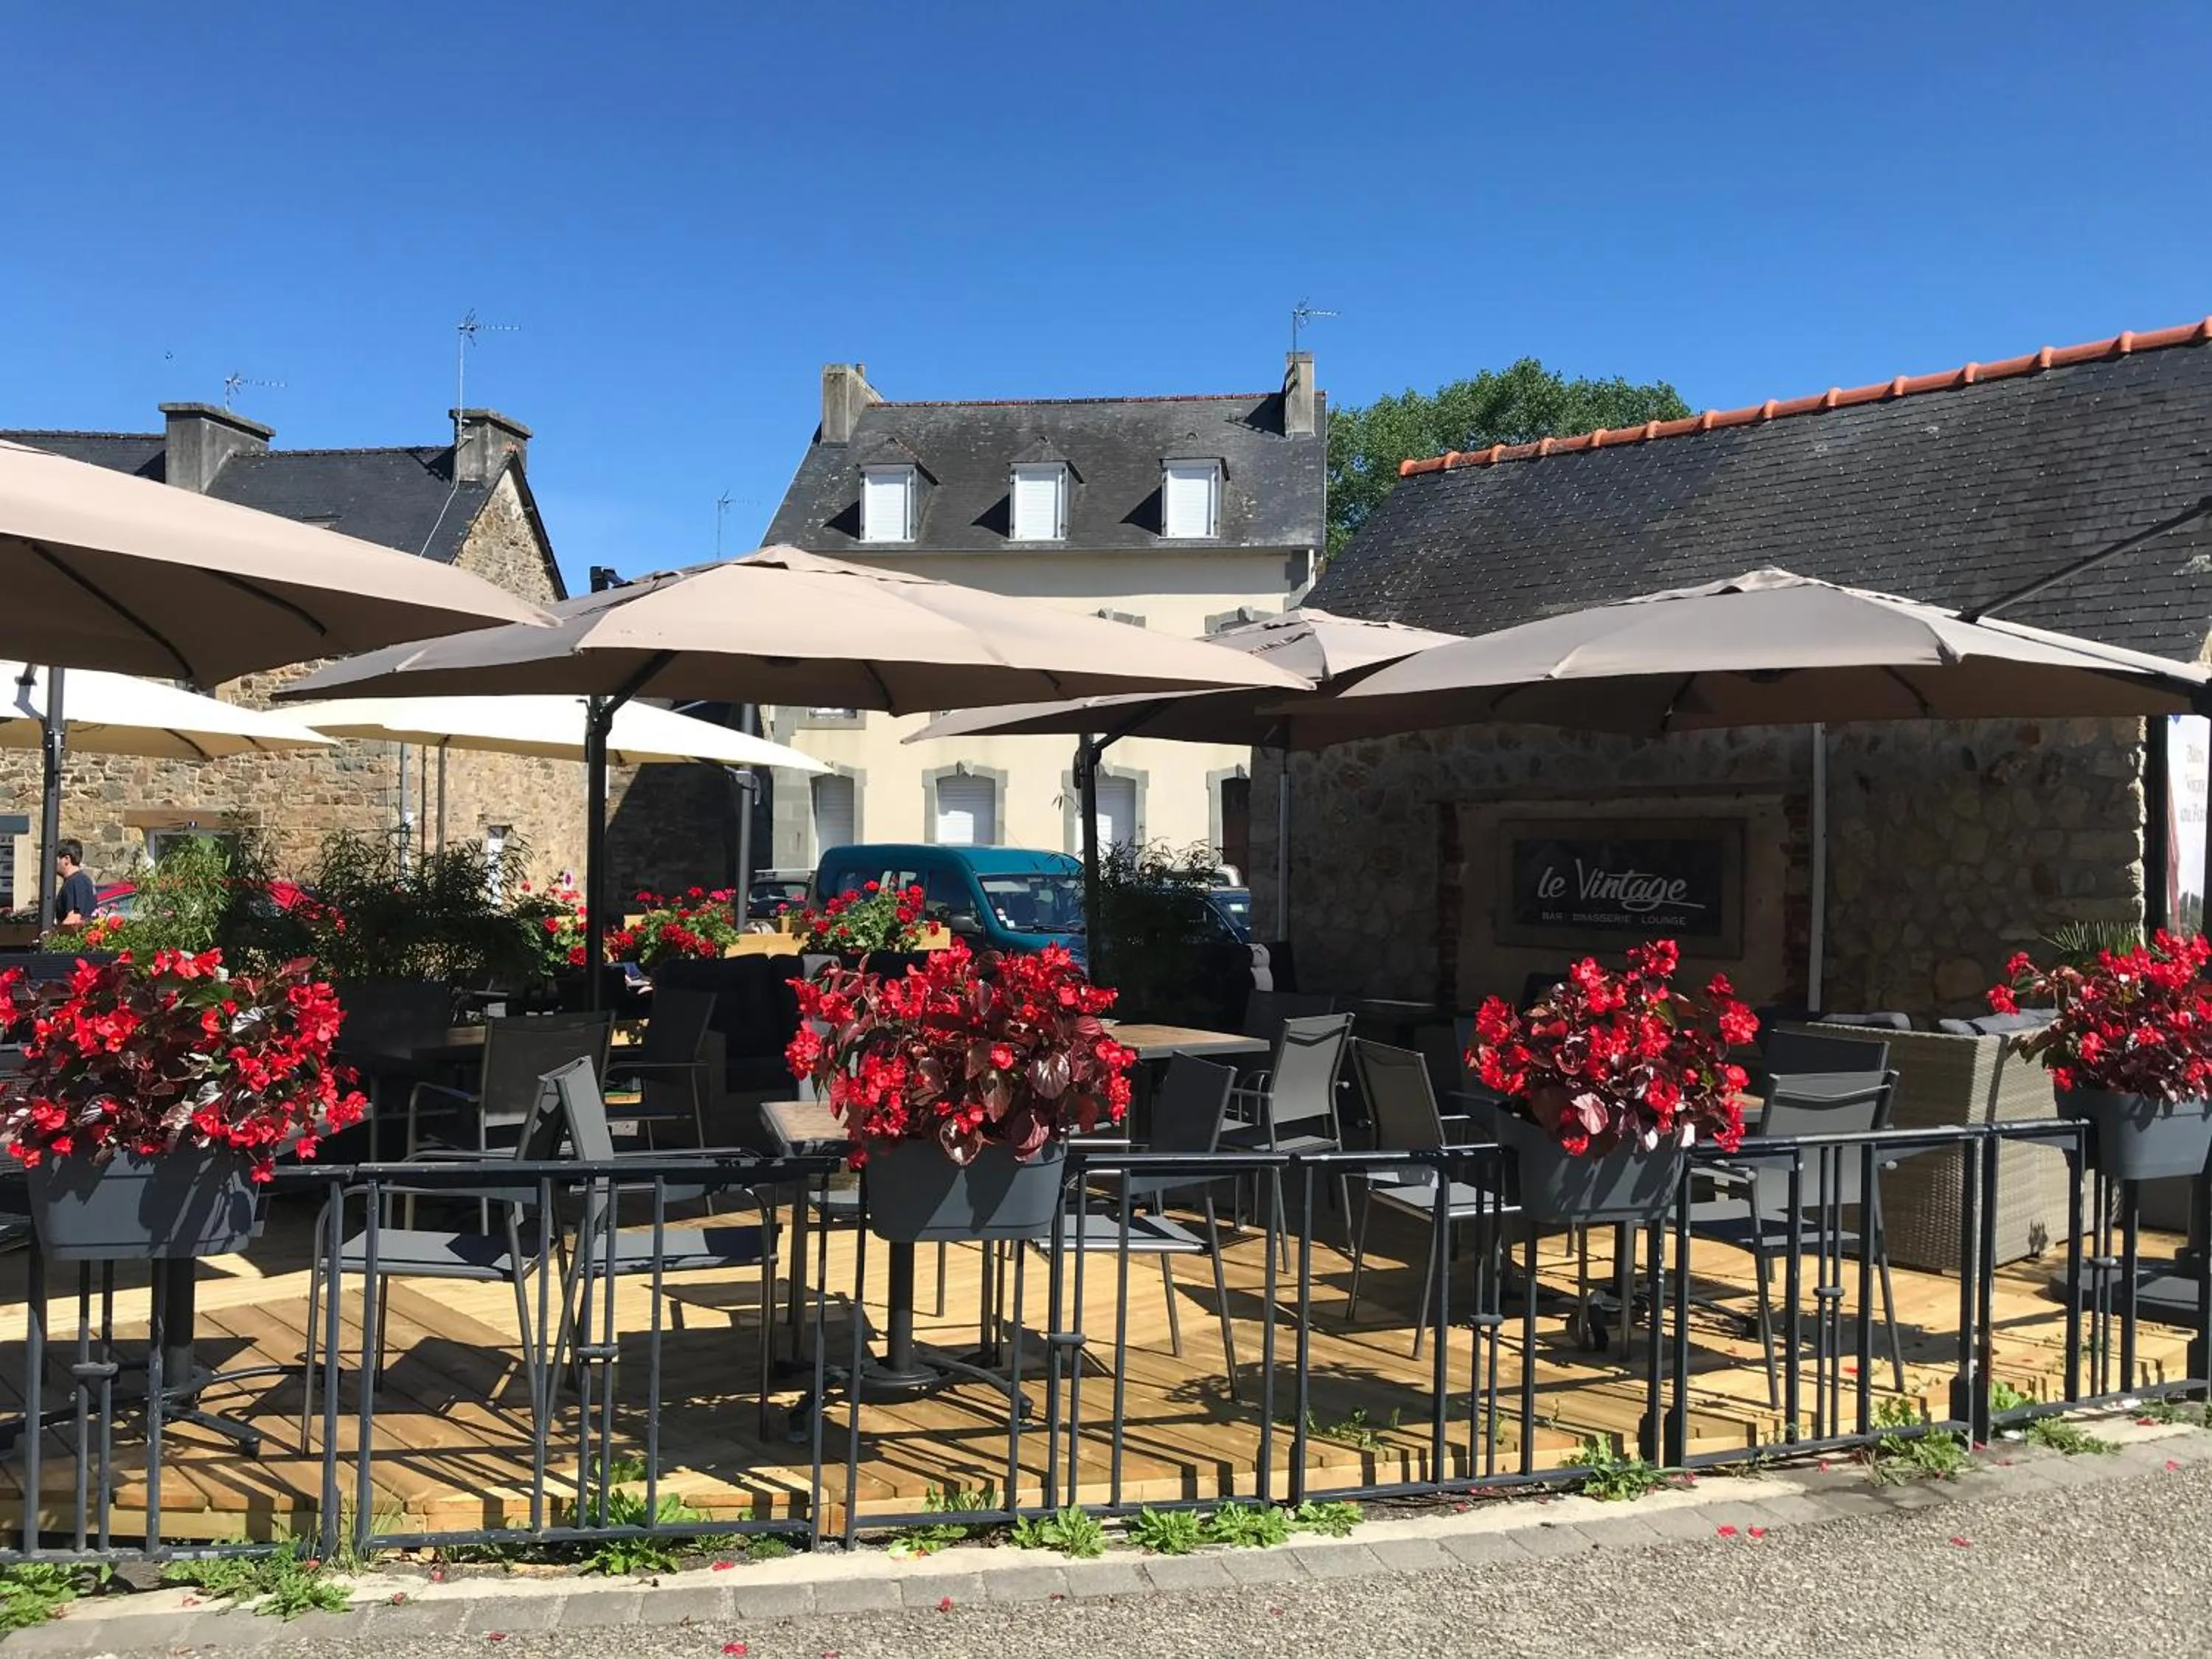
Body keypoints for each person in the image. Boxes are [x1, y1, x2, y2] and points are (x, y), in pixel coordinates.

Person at [53, 841, 97, 928]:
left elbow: (75, 917)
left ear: (67, 859)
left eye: (55, 859)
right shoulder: (81, 880)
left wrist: (52, 936)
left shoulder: (75, 882)